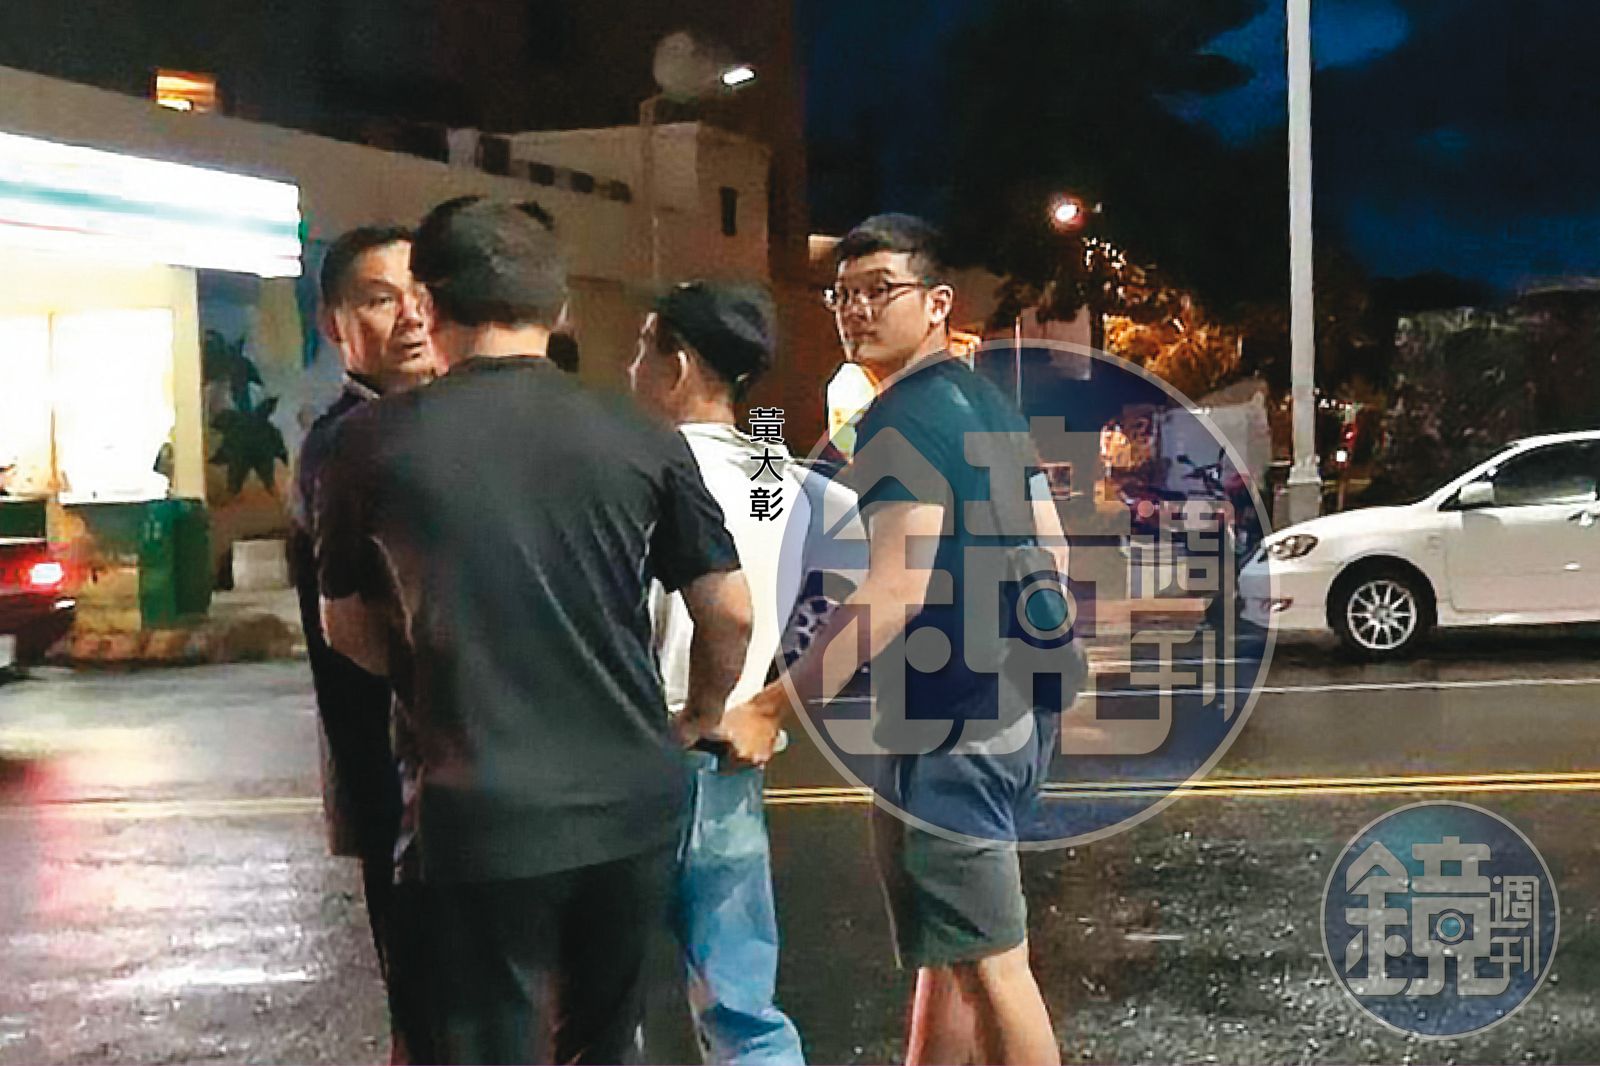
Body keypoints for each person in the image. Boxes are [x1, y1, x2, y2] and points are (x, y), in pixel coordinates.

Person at [317, 197, 753, 1065]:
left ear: (428, 304)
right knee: (601, 1043)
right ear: (559, 308)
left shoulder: (366, 445)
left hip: (475, 810)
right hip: (630, 807)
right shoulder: (642, 435)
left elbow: (346, 626)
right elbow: (729, 610)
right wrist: (700, 715)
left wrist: (431, 678)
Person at [722, 214, 1069, 1066]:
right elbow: (1054, 550)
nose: (857, 310)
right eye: (843, 294)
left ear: (937, 302)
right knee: (953, 946)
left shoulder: (899, 420)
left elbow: (893, 591)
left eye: (881, 290)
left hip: (951, 720)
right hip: (1017, 706)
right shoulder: (987, 402)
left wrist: (771, 706)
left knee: (993, 966)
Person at [630, 280, 863, 1065]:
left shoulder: (638, 471)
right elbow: (855, 569)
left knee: (601, 1002)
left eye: (642, 348)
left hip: (641, 744)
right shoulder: (777, 476)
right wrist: (774, 701)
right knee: (741, 1009)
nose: (632, 367)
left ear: (676, 365)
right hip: (733, 755)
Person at [287, 223, 434, 1063]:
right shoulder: (344, 445)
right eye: (381, 299)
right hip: (401, 776)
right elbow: (353, 631)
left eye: (422, 296)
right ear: (334, 323)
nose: (411, 316)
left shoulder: (437, 422)